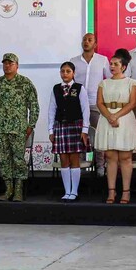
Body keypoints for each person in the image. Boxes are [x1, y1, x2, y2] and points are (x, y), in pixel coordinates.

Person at [0, 53, 40, 202]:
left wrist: (31, 125)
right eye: (5, 63)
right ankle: (8, 189)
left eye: (10, 63)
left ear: (17, 65)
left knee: (18, 160)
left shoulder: (25, 83)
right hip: (0, 129)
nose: (7, 66)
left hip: (18, 129)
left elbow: (34, 106)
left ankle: (18, 190)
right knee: (4, 160)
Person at [95, 48, 136, 205]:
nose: (112, 66)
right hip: (107, 119)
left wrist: (116, 115)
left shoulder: (131, 82)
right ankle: (111, 191)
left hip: (125, 119)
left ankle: (126, 192)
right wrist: (109, 116)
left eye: (116, 64)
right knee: (110, 157)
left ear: (123, 67)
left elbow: (133, 103)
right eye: (111, 63)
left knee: (125, 157)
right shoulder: (104, 83)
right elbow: (99, 103)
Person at [69, 32, 111, 177]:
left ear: (95, 44)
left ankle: (100, 166)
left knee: (98, 136)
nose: (86, 42)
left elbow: (110, 80)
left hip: (95, 104)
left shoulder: (102, 60)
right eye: (84, 40)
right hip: (77, 106)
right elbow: (69, 82)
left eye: (90, 40)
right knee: (79, 136)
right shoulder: (73, 61)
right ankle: (79, 167)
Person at [48, 61, 89, 201]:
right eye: (62, 71)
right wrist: (50, 129)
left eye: (68, 71)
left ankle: (74, 191)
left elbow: (85, 109)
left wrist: (85, 129)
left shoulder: (79, 88)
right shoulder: (56, 89)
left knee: (74, 158)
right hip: (60, 126)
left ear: (73, 73)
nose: (65, 74)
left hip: (75, 126)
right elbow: (51, 109)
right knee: (64, 159)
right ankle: (67, 191)